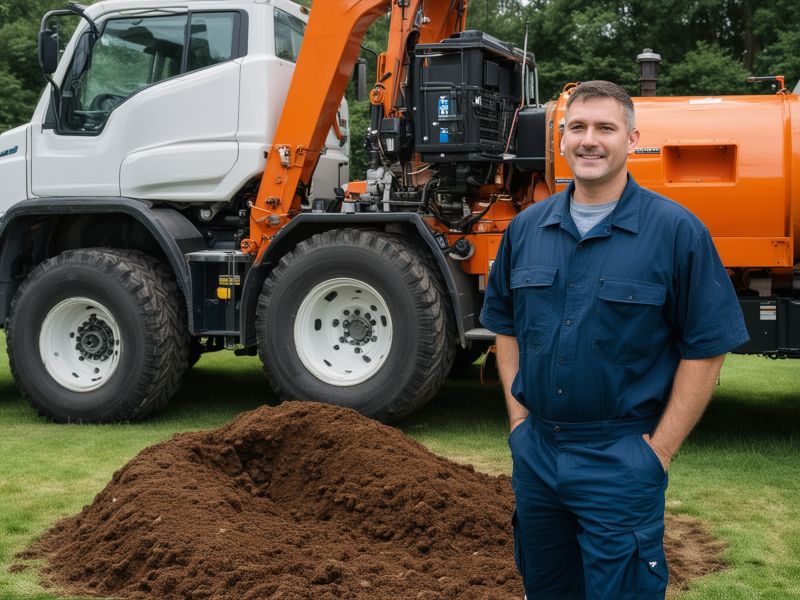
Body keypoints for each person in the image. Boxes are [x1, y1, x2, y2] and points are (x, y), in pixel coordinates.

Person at [480, 80, 749, 599]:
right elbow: (506, 325)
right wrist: (518, 423)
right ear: (560, 139)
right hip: (537, 454)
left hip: (622, 457)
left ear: (632, 139)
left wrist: (659, 451)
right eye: (577, 127)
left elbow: (707, 347)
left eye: (606, 128)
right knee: (547, 589)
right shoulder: (526, 229)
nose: (590, 140)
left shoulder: (675, 232)